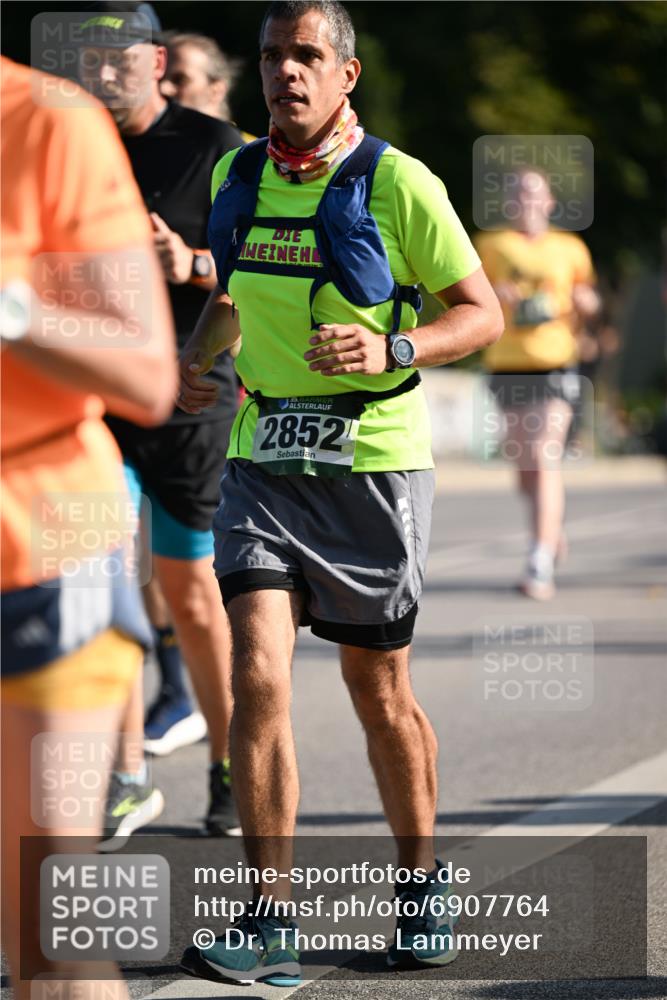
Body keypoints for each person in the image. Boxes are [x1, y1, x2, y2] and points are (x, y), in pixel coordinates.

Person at [177, 0, 503, 986]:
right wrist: (199, 362)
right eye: (276, 55)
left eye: (309, 56)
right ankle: (270, 915)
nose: (289, 73)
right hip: (264, 458)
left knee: (379, 690)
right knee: (261, 674)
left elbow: (479, 314)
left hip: (372, 466)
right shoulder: (237, 174)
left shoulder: (398, 182)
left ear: (346, 74)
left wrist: (391, 346)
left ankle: (419, 884)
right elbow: (235, 292)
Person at [0, 55, 176, 1000]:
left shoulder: (47, 121)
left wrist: (9, 305)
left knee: (48, 941)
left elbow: (148, 371)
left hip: (39, 539)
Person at [77, 2, 243, 838]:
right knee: (98, 587)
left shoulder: (213, 150)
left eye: (118, 57)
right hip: (97, 401)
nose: (102, 72)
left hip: (191, 397)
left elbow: (262, 272)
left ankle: (226, 759)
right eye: (89, 57)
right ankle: (127, 773)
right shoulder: (73, 142)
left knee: (190, 592)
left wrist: (192, 262)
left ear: (152, 59)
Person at [476, 168, 599, 600]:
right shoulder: (490, 244)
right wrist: (496, 293)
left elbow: (589, 298)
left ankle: (539, 559)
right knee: (525, 467)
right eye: (519, 194)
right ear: (509, 204)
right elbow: (471, 297)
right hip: (507, 365)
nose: (527, 201)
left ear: (548, 202)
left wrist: (586, 304)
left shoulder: (570, 248)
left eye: (535, 193)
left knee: (545, 457)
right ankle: (551, 529)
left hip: (555, 362)